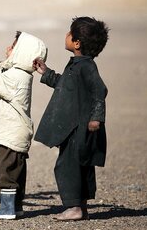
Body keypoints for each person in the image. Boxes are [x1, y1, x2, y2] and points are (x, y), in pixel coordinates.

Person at [32, 16, 109, 221]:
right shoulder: (76, 65)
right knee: (79, 164)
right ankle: (80, 207)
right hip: (74, 127)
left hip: (80, 128)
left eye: (69, 33)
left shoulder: (86, 67)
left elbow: (99, 90)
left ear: (76, 43)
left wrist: (96, 118)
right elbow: (65, 85)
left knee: (68, 166)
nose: (66, 35)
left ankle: (73, 207)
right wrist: (46, 73)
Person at [0, 32, 47, 219]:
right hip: (13, 132)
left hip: (10, 134)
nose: (8, 49)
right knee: (16, 171)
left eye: (13, 47)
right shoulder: (17, 73)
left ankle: (7, 209)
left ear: (23, 53)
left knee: (4, 171)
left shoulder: (17, 76)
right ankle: (16, 207)